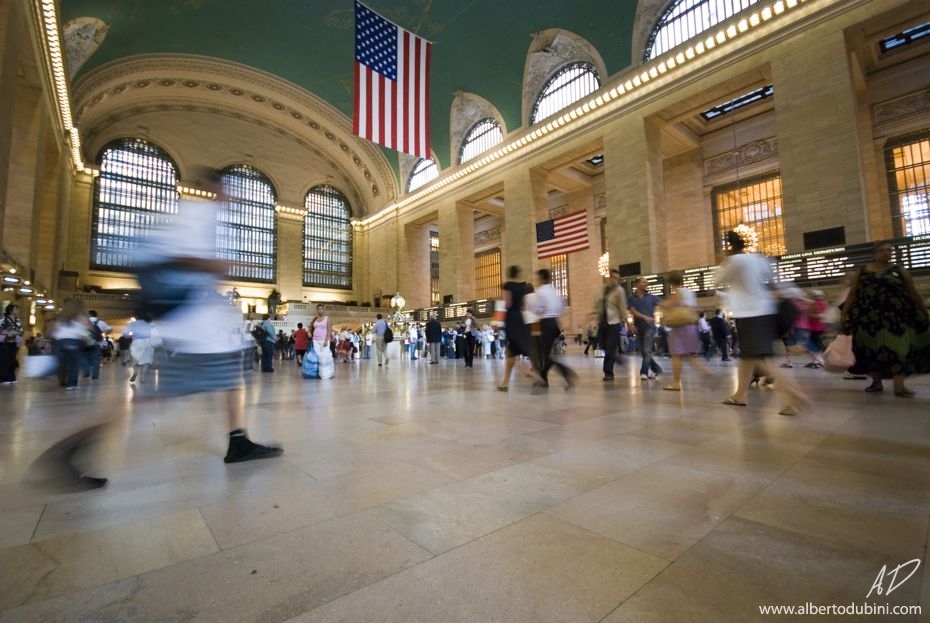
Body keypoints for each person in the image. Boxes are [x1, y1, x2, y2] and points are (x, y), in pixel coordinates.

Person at [715, 228, 810, 415]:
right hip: (766, 312)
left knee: (762, 360)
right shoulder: (758, 259)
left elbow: (716, 280)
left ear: (729, 246)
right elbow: (778, 283)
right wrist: (798, 295)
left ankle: (795, 396)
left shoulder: (734, 261)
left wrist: (723, 261)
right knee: (748, 358)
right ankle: (740, 395)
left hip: (750, 315)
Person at [842, 242, 930, 397]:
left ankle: (899, 385)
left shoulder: (899, 271)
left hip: (896, 317)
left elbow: (913, 293)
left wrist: (923, 311)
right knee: (871, 350)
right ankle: (876, 382)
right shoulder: (862, 272)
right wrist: (845, 313)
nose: (886, 253)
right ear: (875, 253)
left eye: (889, 250)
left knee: (899, 349)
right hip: (867, 318)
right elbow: (853, 294)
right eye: (883, 250)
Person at [658, 270, 714, 391]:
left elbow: (669, 305)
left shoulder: (677, 293)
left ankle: (676, 383)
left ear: (671, 282)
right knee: (690, 356)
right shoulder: (690, 293)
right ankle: (706, 373)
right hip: (692, 326)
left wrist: (660, 303)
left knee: (676, 355)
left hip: (680, 327)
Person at [497, 265, 542, 391]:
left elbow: (508, 303)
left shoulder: (508, 286)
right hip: (519, 318)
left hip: (511, 318)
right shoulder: (523, 286)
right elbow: (522, 304)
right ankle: (505, 383)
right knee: (511, 353)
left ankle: (531, 373)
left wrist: (500, 317)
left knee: (511, 352)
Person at [532, 269, 577, 389]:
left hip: (546, 323)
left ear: (542, 278)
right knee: (546, 354)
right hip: (554, 324)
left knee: (545, 355)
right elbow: (562, 308)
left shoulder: (540, 292)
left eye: (538, 278)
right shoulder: (555, 291)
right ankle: (544, 378)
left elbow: (536, 310)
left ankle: (566, 372)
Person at [594, 268, 628, 381]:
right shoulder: (604, 289)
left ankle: (608, 372)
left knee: (610, 348)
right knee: (601, 344)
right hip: (602, 322)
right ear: (609, 277)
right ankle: (616, 358)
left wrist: (627, 322)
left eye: (617, 279)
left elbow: (623, 307)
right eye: (614, 278)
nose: (615, 281)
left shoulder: (620, 291)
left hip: (614, 322)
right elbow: (598, 303)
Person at [628, 277, 664, 381]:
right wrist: (643, 318)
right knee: (643, 351)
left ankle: (644, 372)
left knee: (647, 351)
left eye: (646, 282)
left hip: (650, 328)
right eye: (643, 282)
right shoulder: (631, 299)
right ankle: (657, 369)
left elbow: (664, 304)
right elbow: (632, 311)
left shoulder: (652, 297)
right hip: (639, 328)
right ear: (637, 284)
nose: (646, 284)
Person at [126, 310, 157, 384]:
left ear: (136, 316)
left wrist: (130, 335)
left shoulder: (132, 324)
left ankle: (135, 372)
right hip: (148, 343)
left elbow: (125, 333)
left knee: (135, 360)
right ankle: (143, 378)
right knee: (146, 362)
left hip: (136, 342)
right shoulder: (150, 324)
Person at [83, 309, 112, 380]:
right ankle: (95, 375)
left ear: (89, 314)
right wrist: (105, 334)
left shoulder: (84, 321)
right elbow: (110, 329)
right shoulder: (100, 322)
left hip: (85, 342)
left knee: (84, 357)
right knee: (96, 359)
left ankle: (87, 371)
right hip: (97, 342)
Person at [0, 303, 24, 384]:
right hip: (5, 343)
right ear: (10, 310)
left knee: (12, 360)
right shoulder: (4, 319)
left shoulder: (17, 320)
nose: (17, 310)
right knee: (5, 360)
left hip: (14, 343)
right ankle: (3, 378)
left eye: (18, 309)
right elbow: (0, 329)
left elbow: (21, 330)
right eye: (16, 309)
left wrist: (18, 332)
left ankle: (11, 377)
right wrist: (9, 332)